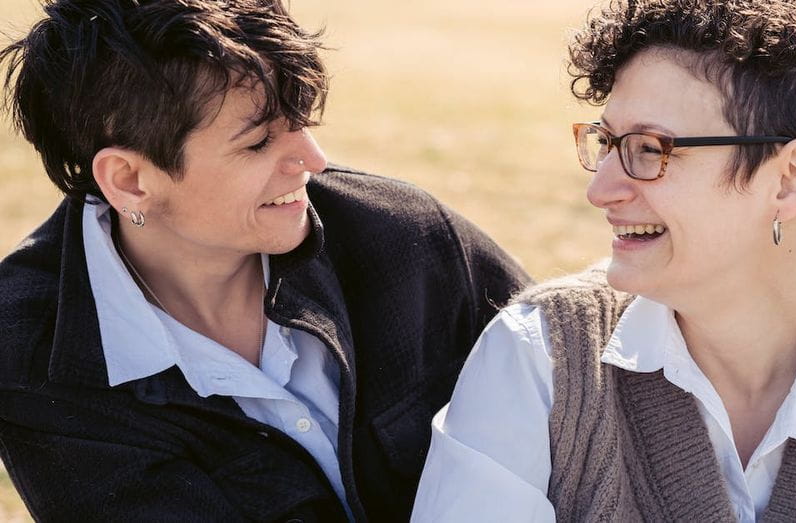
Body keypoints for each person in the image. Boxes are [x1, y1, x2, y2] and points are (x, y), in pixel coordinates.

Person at [412, 0, 796, 521]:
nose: (601, 189)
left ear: (792, 180)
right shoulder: (540, 356)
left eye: (650, 149)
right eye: (607, 143)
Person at [0, 0, 530, 520]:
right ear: (130, 180)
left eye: (300, 119)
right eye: (258, 142)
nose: (313, 160)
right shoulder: (28, 357)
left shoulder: (402, 233)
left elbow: (577, 390)